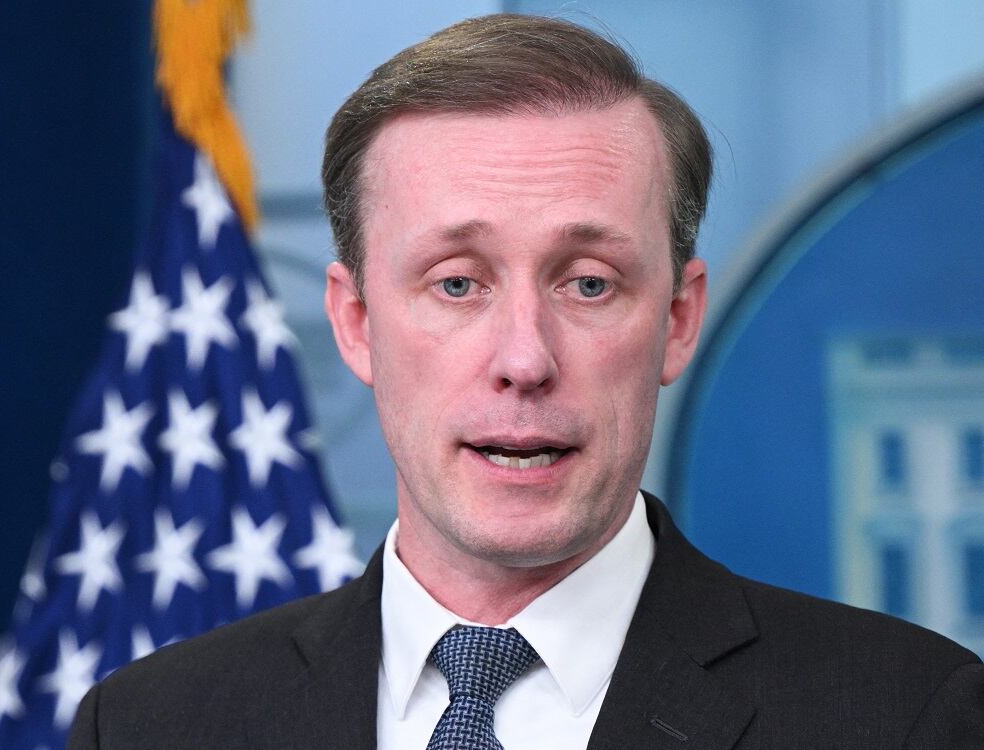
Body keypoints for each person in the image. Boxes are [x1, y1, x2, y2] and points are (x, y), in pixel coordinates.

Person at [68, 14, 984, 749]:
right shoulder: (152, 725)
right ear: (355, 322)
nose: (524, 359)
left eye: (588, 283)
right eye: (457, 283)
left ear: (676, 319)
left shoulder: (907, 717)